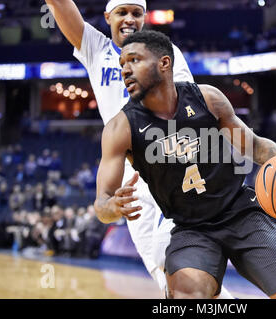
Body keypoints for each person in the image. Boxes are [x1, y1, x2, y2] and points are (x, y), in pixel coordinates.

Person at [94, 30, 276, 299]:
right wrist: (111, 207)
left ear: (164, 63)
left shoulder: (207, 99)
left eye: (134, 60)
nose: (125, 70)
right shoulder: (120, 128)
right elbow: (101, 202)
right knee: (187, 298)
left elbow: (253, 146)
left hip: (241, 211)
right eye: (122, 64)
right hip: (190, 228)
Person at [44, 0, 233, 298]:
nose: (130, 19)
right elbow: (58, 5)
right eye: (122, 12)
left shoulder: (164, 54)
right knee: (168, 282)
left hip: (169, 166)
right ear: (107, 17)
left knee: (173, 261)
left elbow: (184, 111)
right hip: (129, 179)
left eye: (136, 13)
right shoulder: (97, 49)